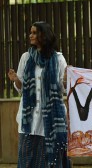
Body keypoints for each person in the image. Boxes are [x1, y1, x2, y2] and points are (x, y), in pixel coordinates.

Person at [7, 21, 70, 168]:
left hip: (51, 120)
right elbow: (21, 88)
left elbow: (63, 88)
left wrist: (67, 77)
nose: (31, 35)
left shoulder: (58, 58)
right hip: (29, 120)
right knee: (26, 158)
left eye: (34, 33)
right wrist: (16, 79)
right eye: (30, 32)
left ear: (44, 35)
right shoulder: (26, 57)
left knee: (49, 160)